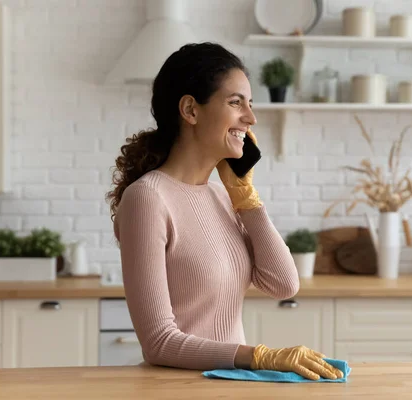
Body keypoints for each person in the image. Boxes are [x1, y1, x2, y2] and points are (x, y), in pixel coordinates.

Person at [106, 42, 343, 381]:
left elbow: (283, 283)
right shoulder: (147, 198)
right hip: (178, 390)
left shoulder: (222, 196)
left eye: (250, 103)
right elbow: (158, 342)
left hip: (230, 387)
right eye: (236, 103)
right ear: (190, 110)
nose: (251, 118)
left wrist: (245, 196)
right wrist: (260, 356)